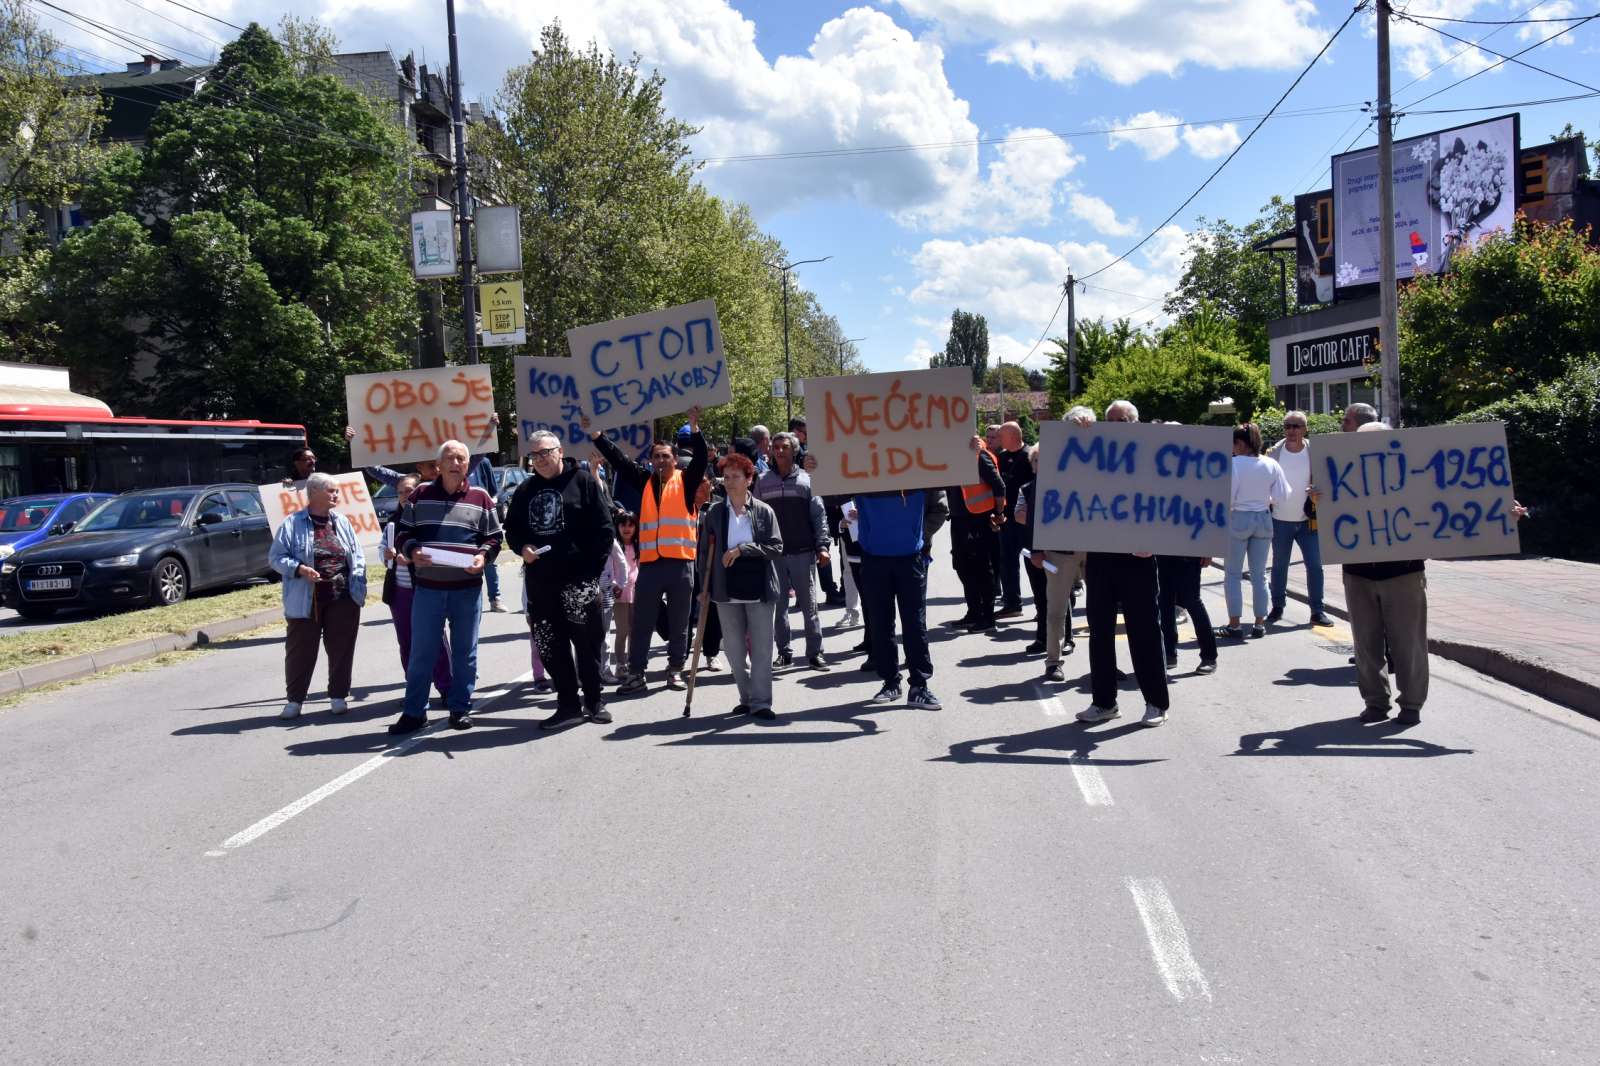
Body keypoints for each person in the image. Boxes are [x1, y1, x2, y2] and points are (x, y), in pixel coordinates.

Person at [586, 408, 708, 694]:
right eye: (657, 456)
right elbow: (619, 460)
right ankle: (637, 672)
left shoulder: (687, 482)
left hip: (680, 564)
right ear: (651, 461)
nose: (661, 460)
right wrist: (597, 436)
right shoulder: (645, 481)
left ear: (675, 460)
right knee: (642, 622)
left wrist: (694, 428)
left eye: (666, 456)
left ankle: (675, 669)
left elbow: (701, 459)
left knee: (679, 622)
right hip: (651, 564)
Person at [388, 440, 502, 734]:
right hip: (427, 589)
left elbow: (494, 538)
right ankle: (414, 713)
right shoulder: (419, 495)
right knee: (421, 652)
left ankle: (460, 709)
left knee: (466, 652)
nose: (456, 463)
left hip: (467, 590)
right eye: (450, 458)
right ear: (438, 465)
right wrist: (412, 551)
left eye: (462, 458)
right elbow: (403, 532)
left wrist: (482, 556)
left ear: (468, 464)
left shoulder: (481, 498)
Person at [506, 430, 616, 730]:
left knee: (588, 644)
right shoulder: (525, 489)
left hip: (580, 581)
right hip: (542, 584)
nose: (540, 459)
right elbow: (512, 530)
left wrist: (591, 573)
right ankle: (567, 704)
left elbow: (606, 530)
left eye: (545, 452)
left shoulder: (583, 482)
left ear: (559, 451)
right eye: (534, 455)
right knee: (550, 646)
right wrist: (522, 548)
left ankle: (594, 701)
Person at [1077, 400, 1170, 728]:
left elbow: (1170, 502)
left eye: (1122, 420)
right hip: (1101, 555)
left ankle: (1156, 703)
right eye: (1109, 421)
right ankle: (1104, 702)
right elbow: (1068, 451)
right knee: (1099, 631)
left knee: (1144, 630)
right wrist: (1080, 423)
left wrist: (1155, 542)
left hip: (1138, 557)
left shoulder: (1152, 458)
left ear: (1136, 423)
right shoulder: (1094, 454)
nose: (1115, 425)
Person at [270, 473, 367, 720]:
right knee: (300, 649)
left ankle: (338, 695)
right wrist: (299, 569)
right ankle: (295, 701)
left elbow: (357, 554)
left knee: (341, 647)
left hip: (343, 596)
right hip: (307, 598)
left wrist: (358, 582)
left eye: (337, 491)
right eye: (332, 491)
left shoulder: (342, 521)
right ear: (314, 493)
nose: (337, 495)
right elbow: (276, 558)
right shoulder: (293, 523)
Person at [700, 452, 785, 720]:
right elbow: (704, 552)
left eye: (736, 476)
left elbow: (776, 547)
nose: (730, 481)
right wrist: (703, 586)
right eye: (726, 477)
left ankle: (761, 702)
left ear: (749, 479)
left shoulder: (763, 510)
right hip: (726, 588)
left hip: (759, 586)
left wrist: (742, 549)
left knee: (761, 648)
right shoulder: (714, 512)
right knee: (735, 650)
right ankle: (746, 697)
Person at [855, 484, 948, 709]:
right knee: (880, 623)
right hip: (874, 557)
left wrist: (918, 535)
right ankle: (890, 682)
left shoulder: (919, 466)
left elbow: (940, 505)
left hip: (911, 557)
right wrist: (815, 466)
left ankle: (919, 686)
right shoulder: (860, 463)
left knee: (915, 623)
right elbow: (831, 492)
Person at [1017, 405, 1092, 682]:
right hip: (1060, 549)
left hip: (1095, 547)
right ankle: (1053, 661)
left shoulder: (1101, 461)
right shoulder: (1051, 463)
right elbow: (1037, 507)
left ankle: (1103, 664)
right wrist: (1037, 549)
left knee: (1100, 611)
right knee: (1056, 609)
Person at [756, 431, 829, 671]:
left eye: (784, 447)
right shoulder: (762, 481)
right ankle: (784, 652)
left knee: (810, 606)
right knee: (779, 607)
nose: (779, 451)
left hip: (803, 552)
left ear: (794, 450)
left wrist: (823, 546)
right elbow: (754, 517)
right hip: (774, 555)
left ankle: (815, 653)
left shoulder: (808, 480)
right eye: (775, 447)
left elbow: (819, 516)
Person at [381, 475, 452, 704]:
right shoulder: (392, 523)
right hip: (399, 591)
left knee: (435, 640)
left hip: (426, 588)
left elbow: (437, 550)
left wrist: (412, 556)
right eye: (401, 491)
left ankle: (447, 688)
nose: (405, 496)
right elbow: (384, 551)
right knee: (407, 643)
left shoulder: (427, 519)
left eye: (410, 490)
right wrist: (388, 556)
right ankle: (415, 692)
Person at [1218, 423, 1290, 640]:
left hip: (1238, 517)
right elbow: (1282, 495)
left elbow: (1228, 497)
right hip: (1263, 518)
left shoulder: (1234, 464)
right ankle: (1260, 623)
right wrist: (1265, 500)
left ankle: (1235, 624)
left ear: (1240, 443)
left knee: (1232, 574)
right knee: (1259, 575)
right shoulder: (1271, 464)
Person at [1266, 411, 1333, 627]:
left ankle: (1317, 611)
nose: (1292, 430)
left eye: (1296, 426)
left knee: (1315, 566)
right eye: (1288, 426)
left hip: (1308, 521)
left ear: (1305, 429)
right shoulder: (1274, 453)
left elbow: (1329, 481)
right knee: (1279, 566)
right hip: (1279, 519)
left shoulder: (1316, 452)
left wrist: (1318, 491)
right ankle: (1277, 607)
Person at [945, 431, 1005, 631]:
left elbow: (999, 485)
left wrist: (998, 513)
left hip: (978, 518)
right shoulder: (953, 457)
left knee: (981, 569)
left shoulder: (979, 455)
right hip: (959, 519)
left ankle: (987, 618)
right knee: (962, 565)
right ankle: (974, 612)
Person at [995, 421, 1031, 620]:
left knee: (1033, 563)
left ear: (1014, 436)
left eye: (1002, 436)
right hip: (1007, 518)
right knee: (1007, 562)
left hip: (1025, 520)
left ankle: (1042, 608)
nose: (999, 440)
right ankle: (1012, 603)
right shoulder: (1001, 457)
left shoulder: (1029, 456)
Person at [606, 511, 639, 682]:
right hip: (619, 594)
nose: (627, 529)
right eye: (623, 525)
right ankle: (620, 663)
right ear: (617, 526)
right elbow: (612, 570)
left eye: (631, 525)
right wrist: (614, 585)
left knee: (634, 630)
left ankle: (633, 662)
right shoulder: (614, 546)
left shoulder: (637, 546)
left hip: (635, 593)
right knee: (622, 630)